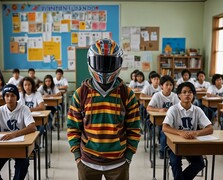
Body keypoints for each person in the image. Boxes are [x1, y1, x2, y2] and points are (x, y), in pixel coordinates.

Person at [67, 39, 141, 180]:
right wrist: (77, 156)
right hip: (87, 162)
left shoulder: (127, 94)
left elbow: (135, 128)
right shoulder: (80, 94)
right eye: (100, 62)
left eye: (110, 63)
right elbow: (72, 128)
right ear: (90, 62)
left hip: (118, 163)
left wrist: (128, 157)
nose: (104, 68)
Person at [0, 84, 36, 180]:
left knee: (23, 163)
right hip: (4, 146)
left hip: (20, 146)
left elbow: (32, 127)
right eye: (7, 95)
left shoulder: (24, 109)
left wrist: (14, 134)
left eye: (12, 95)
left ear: (17, 97)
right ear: (4, 97)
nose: (9, 98)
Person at [162, 82, 213, 180]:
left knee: (200, 163)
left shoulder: (197, 110)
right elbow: (165, 127)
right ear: (179, 95)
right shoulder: (173, 109)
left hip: (191, 143)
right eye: (184, 92)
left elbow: (210, 128)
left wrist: (196, 132)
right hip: (175, 144)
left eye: (190, 92)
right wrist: (180, 132)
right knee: (175, 163)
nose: (187, 94)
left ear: (193, 95)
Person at [146, 75, 179, 159]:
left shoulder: (174, 96)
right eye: (167, 85)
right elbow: (149, 107)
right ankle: (162, 150)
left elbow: (178, 108)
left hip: (171, 121)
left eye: (171, 85)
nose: (169, 87)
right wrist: (159, 110)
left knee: (164, 132)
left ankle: (165, 150)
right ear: (161, 86)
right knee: (159, 131)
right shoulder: (157, 95)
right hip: (159, 120)